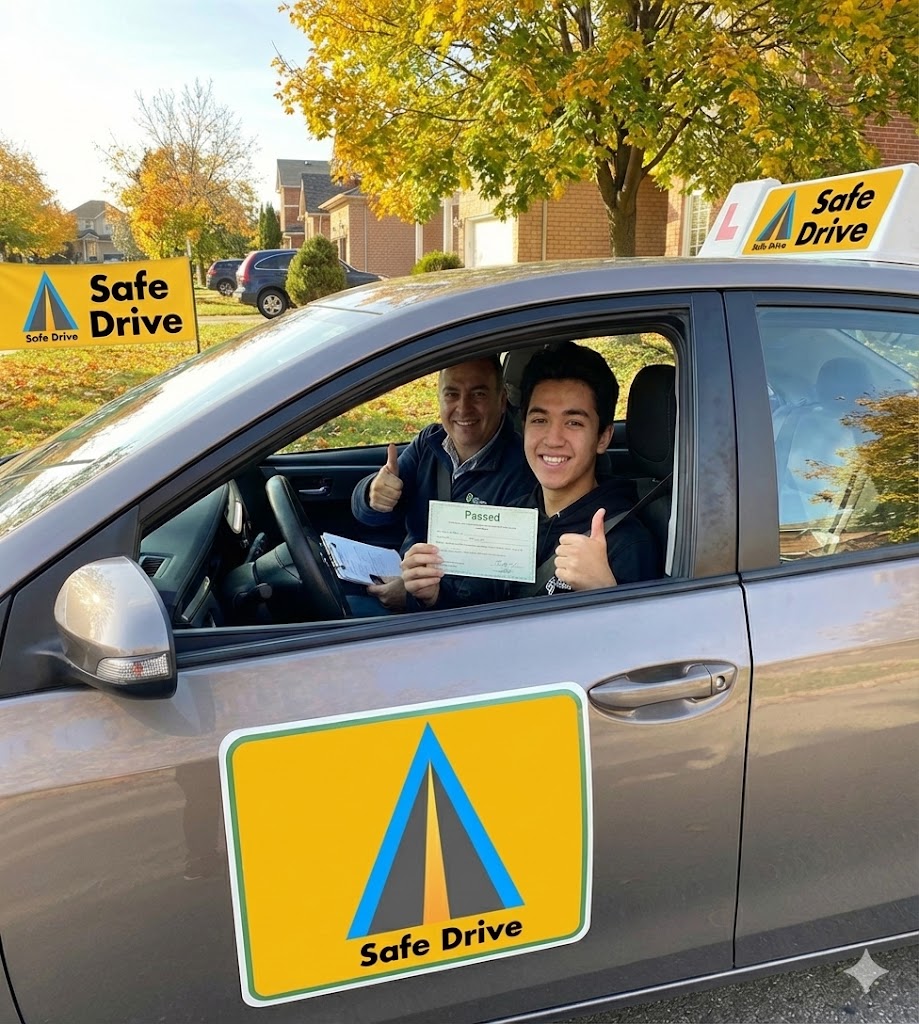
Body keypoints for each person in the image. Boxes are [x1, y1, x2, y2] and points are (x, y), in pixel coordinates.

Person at [402, 342, 660, 608]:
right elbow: (478, 609)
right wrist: (432, 594)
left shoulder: (625, 543)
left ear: (603, 437)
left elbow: (646, 646)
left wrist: (605, 594)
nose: (553, 439)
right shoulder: (515, 514)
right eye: (540, 420)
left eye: (573, 422)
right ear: (523, 427)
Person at [350, 355, 534, 610]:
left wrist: (414, 596)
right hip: (404, 576)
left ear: (502, 400)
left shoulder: (523, 470)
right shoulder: (430, 442)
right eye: (451, 394)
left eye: (478, 394)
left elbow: (498, 587)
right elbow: (370, 518)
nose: (463, 408)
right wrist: (373, 495)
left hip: (446, 618)